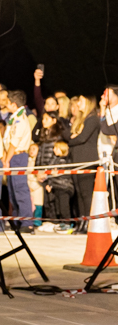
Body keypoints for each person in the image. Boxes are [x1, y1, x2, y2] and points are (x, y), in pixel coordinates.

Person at [2, 91, 33, 230]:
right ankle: (16, 220)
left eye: (8, 102)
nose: (6, 105)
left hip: (18, 156)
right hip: (12, 155)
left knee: (20, 189)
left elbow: (14, 142)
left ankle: (27, 223)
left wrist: (7, 159)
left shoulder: (20, 119)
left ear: (14, 105)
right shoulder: (14, 117)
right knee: (13, 190)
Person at [68, 95, 100, 234]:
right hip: (77, 160)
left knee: (86, 194)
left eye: (80, 101)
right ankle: (81, 222)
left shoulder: (92, 119)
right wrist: (72, 138)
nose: (78, 103)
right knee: (79, 193)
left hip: (87, 161)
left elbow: (82, 138)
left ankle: (88, 222)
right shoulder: (82, 119)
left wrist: (70, 140)